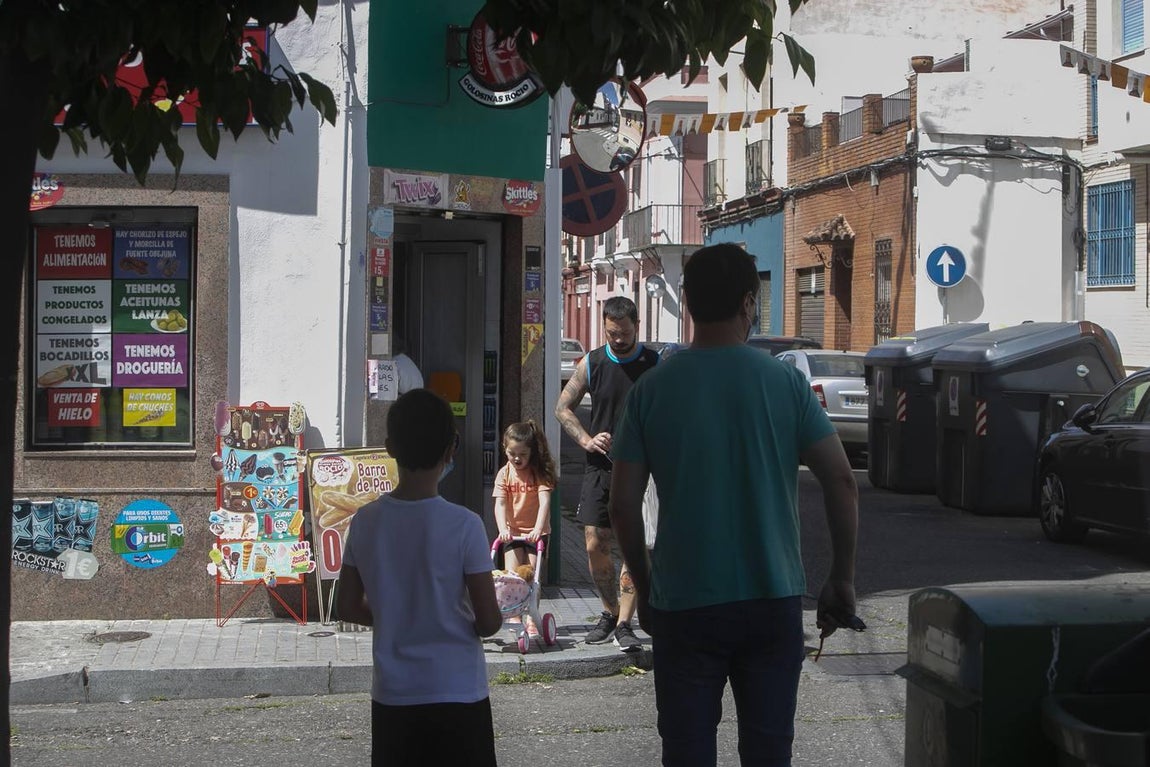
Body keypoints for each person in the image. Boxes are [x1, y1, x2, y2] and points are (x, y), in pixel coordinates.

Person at [608, 243, 860, 766]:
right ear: (749, 304)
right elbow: (841, 479)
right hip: (771, 601)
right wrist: (842, 576)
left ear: (688, 301)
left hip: (684, 605)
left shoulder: (652, 390)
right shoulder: (785, 383)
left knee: (686, 750)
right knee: (769, 752)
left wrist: (647, 586)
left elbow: (622, 507)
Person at [337, 389, 502, 767]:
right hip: (460, 693)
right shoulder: (466, 525)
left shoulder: (365, 521)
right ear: (451, 450)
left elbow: (347, 604)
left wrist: (397, 614)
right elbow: (489, 622)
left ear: (390, 447)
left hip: (395, 696)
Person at [554, 295, 658, 653]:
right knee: (595, 542)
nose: (618, 339)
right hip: (600, 467)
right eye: (612, 333)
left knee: (635, 545)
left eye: (624, 333)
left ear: (637, 327)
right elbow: (562, 408)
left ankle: (626, 624)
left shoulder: (653, 364)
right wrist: (585, 439)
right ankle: (609, 613)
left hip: (643, 469)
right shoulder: (593, 362)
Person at [493, 419, 557, 573]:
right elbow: (500, 504)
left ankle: (533, 596)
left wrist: (537, 529)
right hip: (512, 531)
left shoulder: (539, 474)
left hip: (535, 532)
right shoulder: (504, 474)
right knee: (512, 574)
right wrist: (502, 529)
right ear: (504, 448)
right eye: (512, 453)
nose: (517, 458)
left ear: (531, 452)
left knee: (530, 573)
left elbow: (544, 503)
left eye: (522, 454)